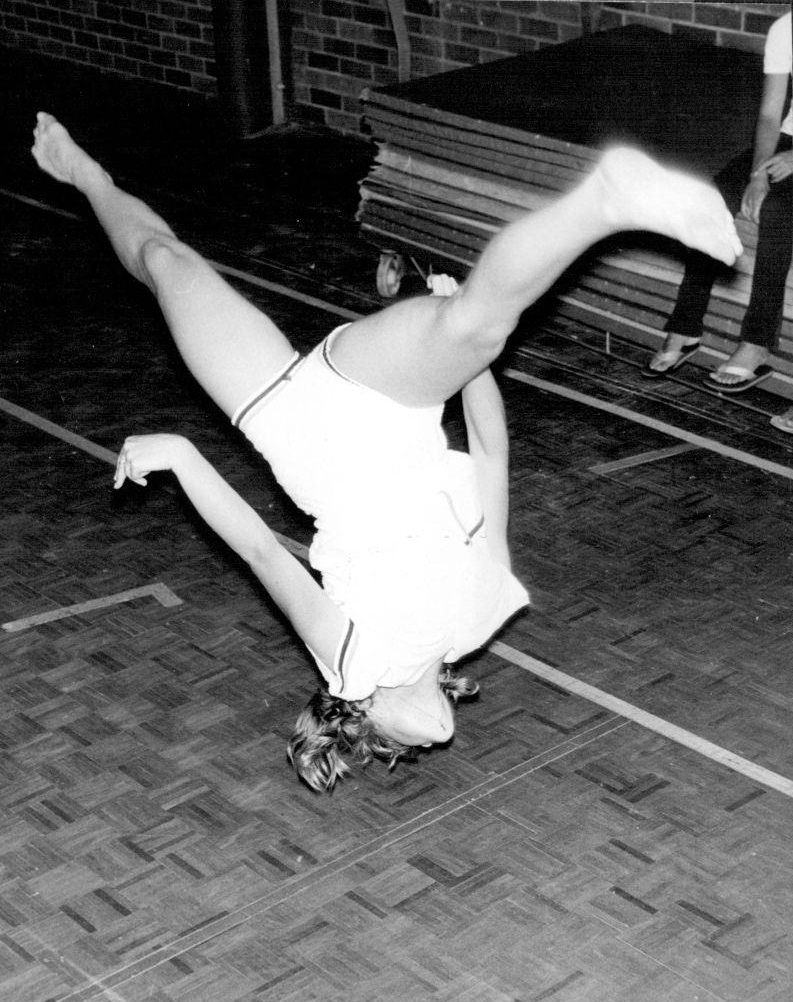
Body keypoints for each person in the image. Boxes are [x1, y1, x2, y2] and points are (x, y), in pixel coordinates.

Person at [31, 112, 741, 791]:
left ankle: (86, 176)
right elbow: (490, 452)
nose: (430, 739)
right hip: (386, 401)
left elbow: (262, 553)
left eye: (394, 747)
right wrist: (462, 354)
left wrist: (182, 456)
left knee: (162, 259)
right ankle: (604, 199)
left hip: (284, 418)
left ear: (359, 718)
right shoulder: (482, 613)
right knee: (478, 329)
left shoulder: (353, 665)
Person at [643, 11, 792, 398]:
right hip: (788, 145)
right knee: (713, 196)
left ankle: (756, 343)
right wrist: (758, 173)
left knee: (780, 211)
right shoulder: (785, 28)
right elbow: (769, 115)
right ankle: (686, 326)